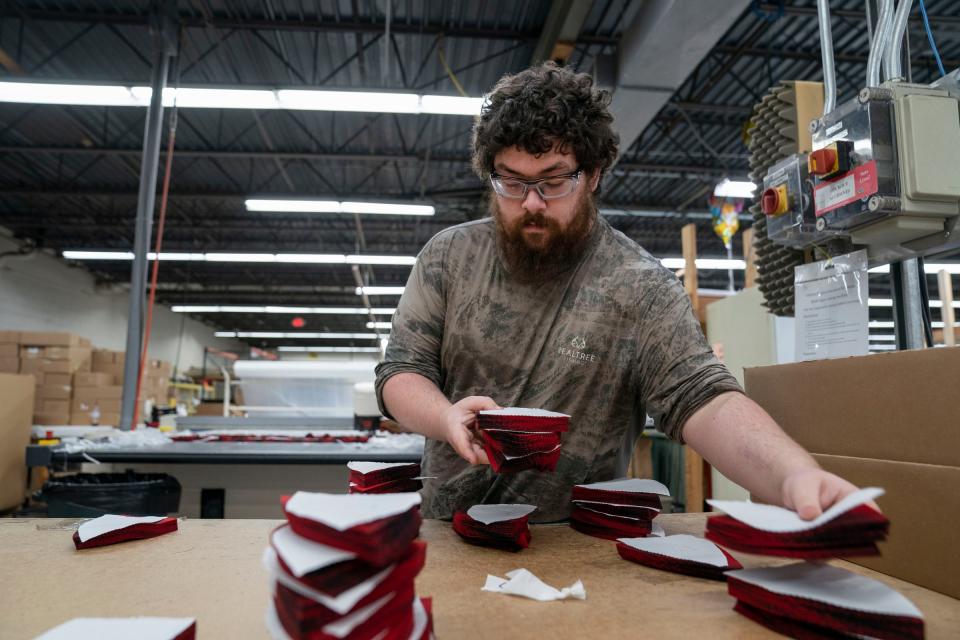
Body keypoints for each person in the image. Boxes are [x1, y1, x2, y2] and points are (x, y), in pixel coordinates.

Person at [375, 62, 860, 522]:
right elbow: (400, 373)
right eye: (512, 182)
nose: (532, 203)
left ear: (594, 175)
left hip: (583, 546)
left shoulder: (639, 284)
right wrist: (444, 417)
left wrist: (794, 474)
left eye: (554, 181)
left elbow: (705, 400)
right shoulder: (450, 257)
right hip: (448, 530)